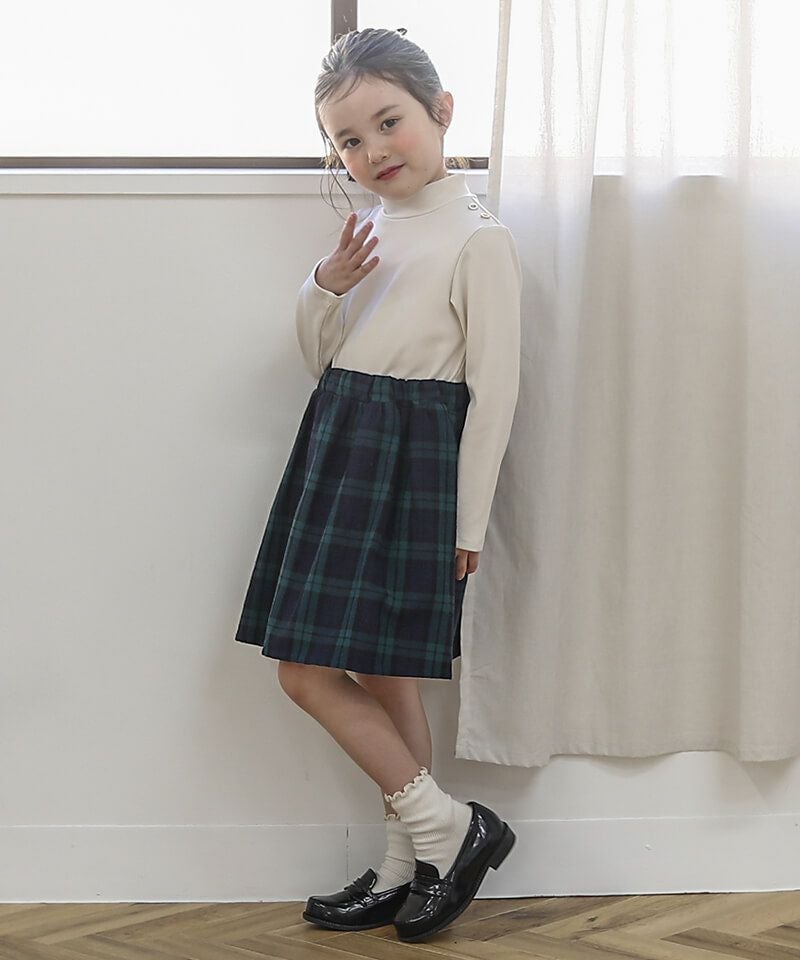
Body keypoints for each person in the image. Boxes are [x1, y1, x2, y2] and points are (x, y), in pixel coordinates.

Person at [234, 26, 520, 943]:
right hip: (342, 440)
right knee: (378, 677)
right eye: (349, 141)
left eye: (388, 122)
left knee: (316, 672)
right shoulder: (374, 229)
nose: (372, 151)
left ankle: (445, 832)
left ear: (442, 111)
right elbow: (322, 357)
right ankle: (416, 860)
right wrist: (325, 284)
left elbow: (497, 394)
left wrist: (469, 521)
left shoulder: (479, 241)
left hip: (412, 458)